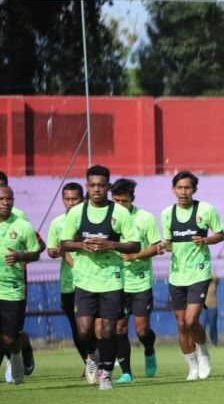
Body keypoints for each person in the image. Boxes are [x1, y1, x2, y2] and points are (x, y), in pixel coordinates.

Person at [59, 165, 140, 390]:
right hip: (84, 279)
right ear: (87, 187)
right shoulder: (76, 213)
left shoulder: (120, 213)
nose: (97, 189)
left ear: (108, 186)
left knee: (108, 328)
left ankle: (106, 373)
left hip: (111, 278)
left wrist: (111, 244)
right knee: (84, 330)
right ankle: (91, 356)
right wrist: (80, 245)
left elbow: (135, 244)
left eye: (101, 185)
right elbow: (64, 243)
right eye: (92, 185)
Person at [159, 171, 224, 381]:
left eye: (187, 187)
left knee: (191, 320)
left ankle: (203, 350)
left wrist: (205, 240)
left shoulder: (205, 210)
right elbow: (169, 244)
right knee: (181, 324)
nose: (183, 192)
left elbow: (220, 234)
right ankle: (192, 367)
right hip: (177, 275)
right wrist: (163, 245)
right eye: (179, 187)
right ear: (173, 189)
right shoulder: (167, 213)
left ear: (194, 190)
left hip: (199, 272)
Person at [110, 178, 161, 382]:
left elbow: (156, 247)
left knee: (141, 330)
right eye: (116, 201)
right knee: (119, 328)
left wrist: (135, 256)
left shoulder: (145, 218)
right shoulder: (107, 219)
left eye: (124, 201)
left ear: (133, 199)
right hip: (115, 282)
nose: (120, 205)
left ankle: (149, 349)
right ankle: (126, 372)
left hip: (140, 282)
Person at [45, 182, 89, 369]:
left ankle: (102, 359)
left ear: (83, 199)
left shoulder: (91, 220)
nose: (71, 203)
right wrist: (55, 252)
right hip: (69, 283)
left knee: (93, 326)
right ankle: (88, 362)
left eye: (75, 199)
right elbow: (51, 249)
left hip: (91, 280)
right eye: (68, 199)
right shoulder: (57, 223)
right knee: (78, 329)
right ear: (63, 200)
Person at [0, 186, 42, 384]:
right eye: (2, 199)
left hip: (13, 289)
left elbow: (36, 253)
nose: (6, 202)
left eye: (9, 199)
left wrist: (21, 256)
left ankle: (16, 355)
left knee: (9, 338)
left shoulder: (23, 225)